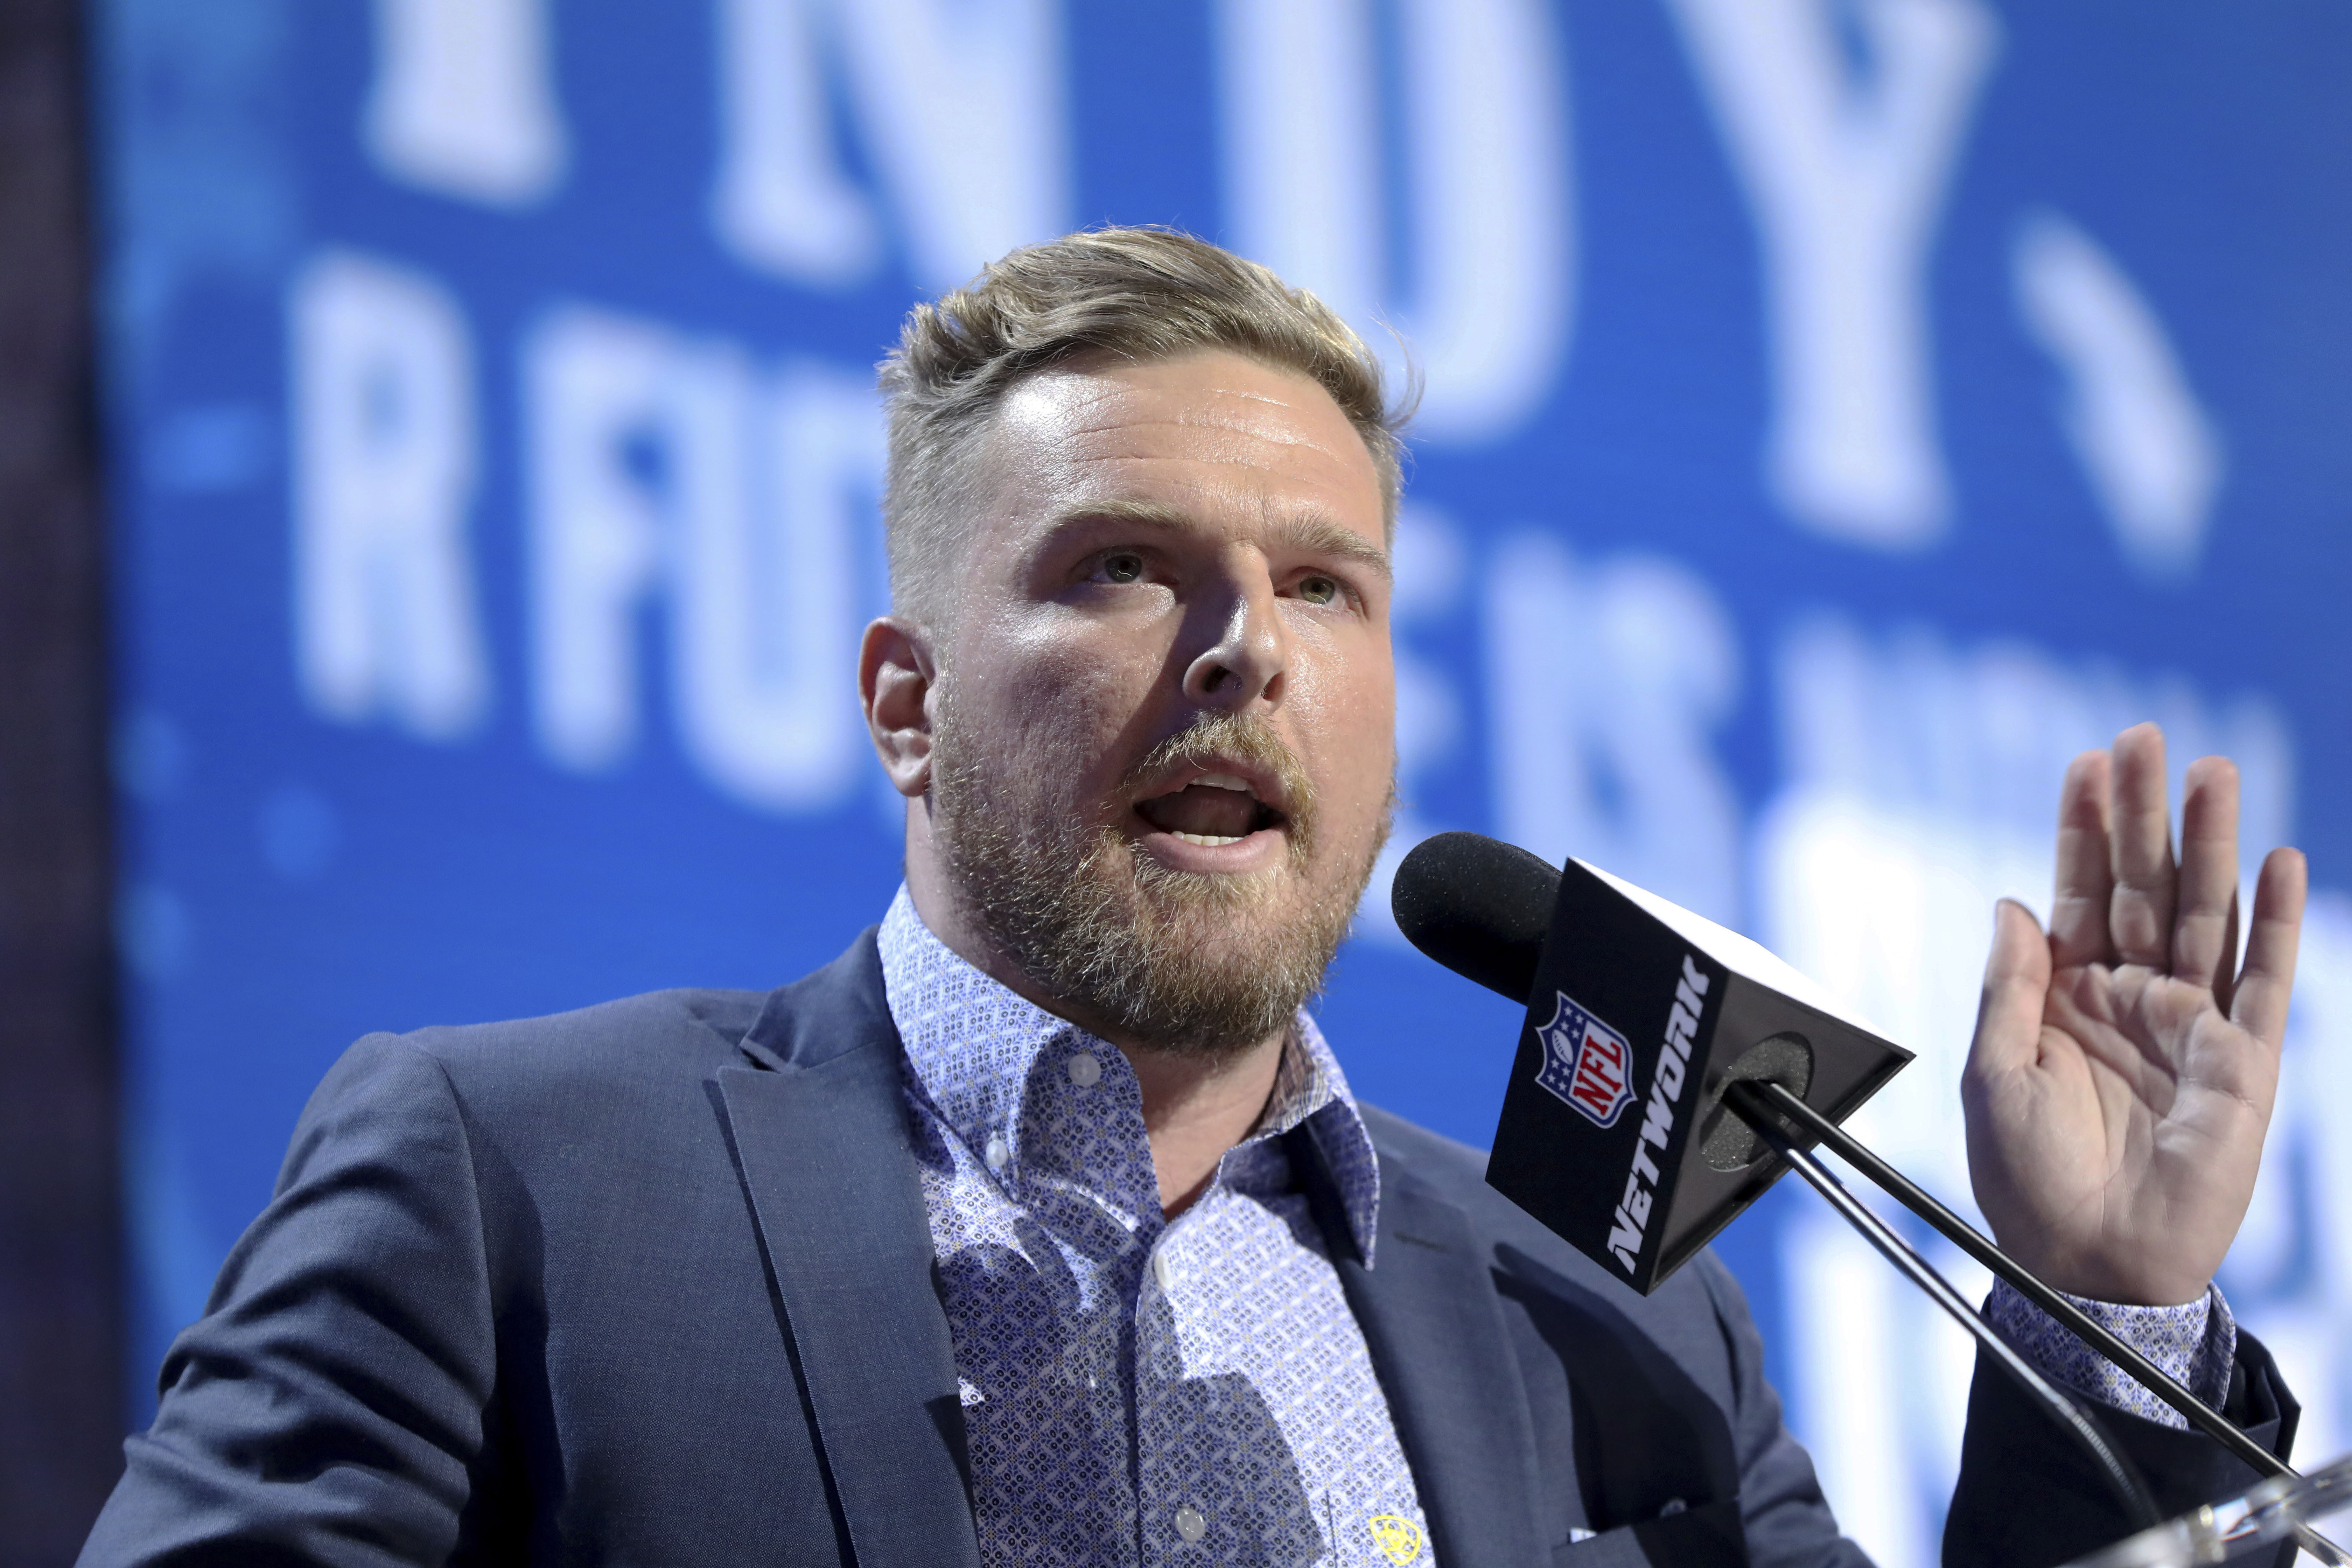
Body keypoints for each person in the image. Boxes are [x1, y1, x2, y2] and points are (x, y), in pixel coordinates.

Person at [80, 228, 2310, 1568]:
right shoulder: (517, 1177)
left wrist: (2101, 1303)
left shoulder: (1617, 1330)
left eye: (1324, 586)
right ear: (906, 702)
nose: (1246, 645)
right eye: (1124, 568)